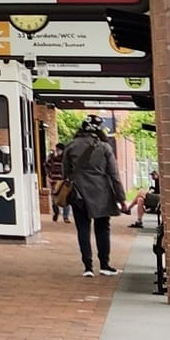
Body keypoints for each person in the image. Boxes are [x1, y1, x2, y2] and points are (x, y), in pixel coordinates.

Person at [64, 116, 122, 277]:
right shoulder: (104, 147)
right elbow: (114, 175)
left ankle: (88, 267)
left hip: (78, 194)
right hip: (101, 194)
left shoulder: (70, 146)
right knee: (102, 229)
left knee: (82, 229)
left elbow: (65, 173)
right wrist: (121, 199)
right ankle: (104, 264)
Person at [43, 149, 71, 223]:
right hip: (54, 182)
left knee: (65, 198)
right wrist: (48, 175)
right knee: (54, 199)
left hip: (63, 182)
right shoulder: (52, 159)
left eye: (59, 150)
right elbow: (46, 165)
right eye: (57, 150)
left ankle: (66, 217)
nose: (58, 152)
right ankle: (56, 212)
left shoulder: (65, 159)